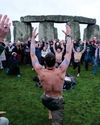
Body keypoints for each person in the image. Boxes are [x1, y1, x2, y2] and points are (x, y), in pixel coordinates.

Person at [30, 25, 73, 125]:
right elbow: (68, 52)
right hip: (57, 101)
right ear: (55, 62)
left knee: (46, 98)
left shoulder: (40, 71)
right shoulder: (61, 70)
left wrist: (33, 38)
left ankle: (50, 111)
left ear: (44, 62)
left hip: (46, 99)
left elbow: (32, 54)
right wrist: (69, 36)